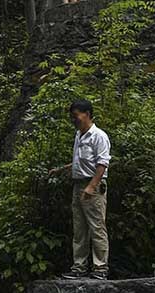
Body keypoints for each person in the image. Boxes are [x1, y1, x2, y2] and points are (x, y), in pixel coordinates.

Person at [54, 99, 111, 280]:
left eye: (76, 115)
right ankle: (79, 267)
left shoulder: (98, 136)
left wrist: (91, 186)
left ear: (87, 114)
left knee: (96, 226)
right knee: (79, 229)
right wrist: (62, 169)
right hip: (78, 184)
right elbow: (81, 161)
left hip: (92, 185)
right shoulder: (79, 135)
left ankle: (100, 268)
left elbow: (102, 163)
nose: (74, 119)